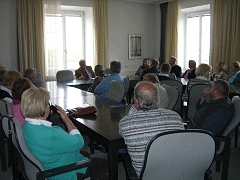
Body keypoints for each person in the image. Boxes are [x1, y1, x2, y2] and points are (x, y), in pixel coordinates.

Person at [21, 88, 109, 180]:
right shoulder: (52, 133)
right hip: (63, 173)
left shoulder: (26, 127)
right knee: (104, 165)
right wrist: (66, 118)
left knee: (85, 154)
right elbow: (79, 142)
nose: (49, 107)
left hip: (50, 164)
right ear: (43, 109)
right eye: (48, 104)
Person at [118, 81, 184, 177]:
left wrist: (135, 108)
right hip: (177, 172)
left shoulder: (126, 123)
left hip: (146, 176)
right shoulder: (175, 117)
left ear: (136, 101)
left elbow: (122, 135)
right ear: (157, 99)